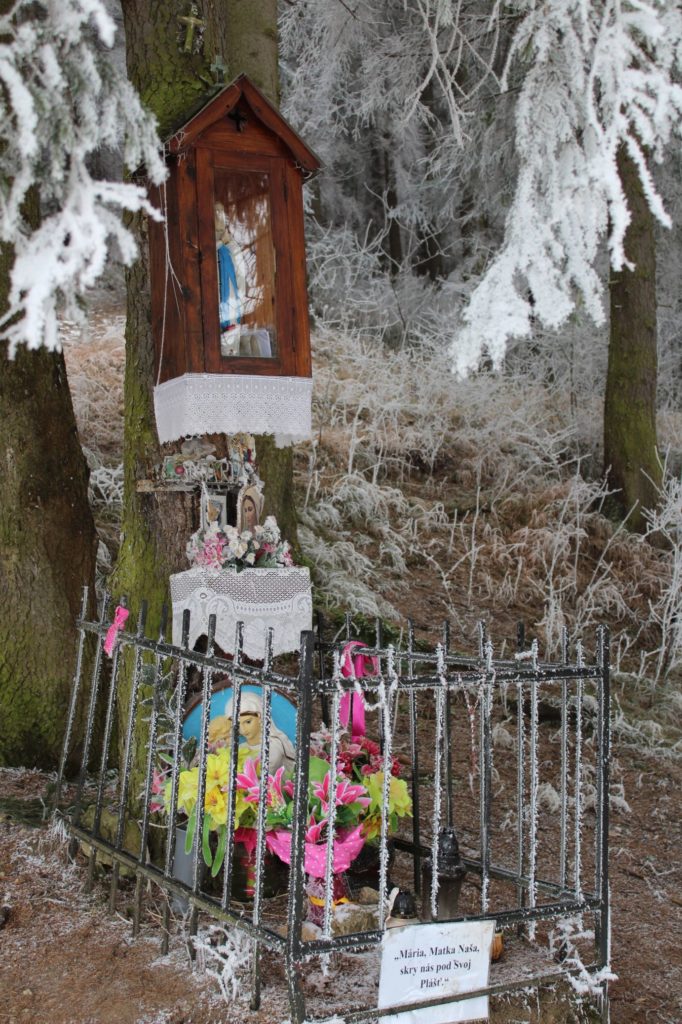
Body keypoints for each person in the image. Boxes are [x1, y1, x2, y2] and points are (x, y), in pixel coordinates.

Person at [208, 692, 295, 773]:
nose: (243, 730)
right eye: (237, 724)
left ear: (260, 717)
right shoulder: (239, 748)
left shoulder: (273, 748)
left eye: (248, 722)